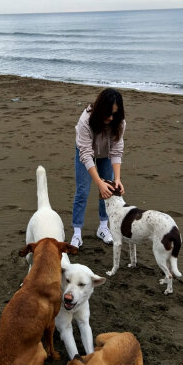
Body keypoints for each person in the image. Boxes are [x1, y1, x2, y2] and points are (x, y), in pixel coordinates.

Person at [71, 88, 126, 248]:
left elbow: (117, 150)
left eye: (114, 114)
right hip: (85, 151)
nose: (110, 118)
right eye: (108, 114)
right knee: (82, 190)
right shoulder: (85, 121)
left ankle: (103, 228)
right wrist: (98, 182)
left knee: (108, 190)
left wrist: (117, 179)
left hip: (106, 154)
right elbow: (86, 155)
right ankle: (77, 233)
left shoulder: (119, 122)